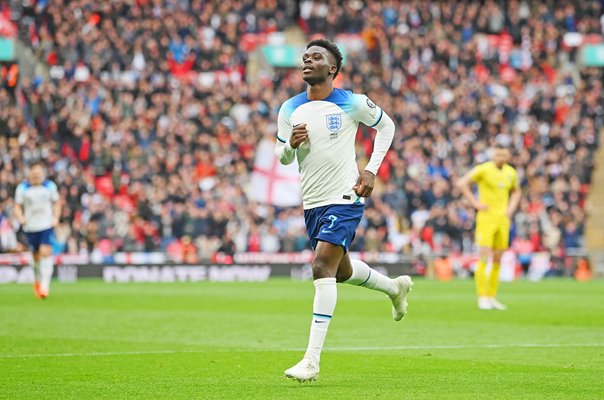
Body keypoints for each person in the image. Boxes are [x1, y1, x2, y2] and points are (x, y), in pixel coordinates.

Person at [274, 39, 413, 382]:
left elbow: (387, 126)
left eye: (315, 57)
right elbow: (281, 156)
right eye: (305, 57)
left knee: (321, 266)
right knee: (339, 272)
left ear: (332, 69)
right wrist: (290, 145)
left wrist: (371, 170)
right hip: (313, 202)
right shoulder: (289, 108)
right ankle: (394, 288)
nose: (307, 61)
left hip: (345, 196)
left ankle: (311, 360)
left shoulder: (351, 102)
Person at [457, 144, 521, 310]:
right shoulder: (483, 169)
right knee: (484, 257)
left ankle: (492, 296)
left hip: (503, 220)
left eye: (504, 155)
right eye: (499, 154)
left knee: (498, 258)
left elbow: (516, 192)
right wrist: (475, 203)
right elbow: (462, 183)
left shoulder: (511, 172)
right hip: (486, 219)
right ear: (493, 155)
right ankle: (482, 296)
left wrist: (511, 207)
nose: (501, 158)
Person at [14, 162, 61, 299]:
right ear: (29, 174)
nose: (36, 176)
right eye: (33, 174)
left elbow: (57, 202)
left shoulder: (49, 186)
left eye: (38, 173)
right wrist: (21, 218)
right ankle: (37, 279)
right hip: (30, 226)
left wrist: (56, 218)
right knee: (35, 257)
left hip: (46, 225)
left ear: (42, 174)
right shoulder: (23, 188)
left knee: (45, 251)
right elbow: (17, 205)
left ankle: (45, 286)